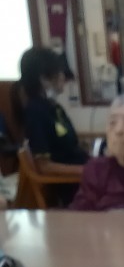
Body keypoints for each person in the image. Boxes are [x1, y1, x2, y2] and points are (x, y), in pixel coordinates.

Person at [17, 47, 88, 179]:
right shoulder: (35, 113)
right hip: (68, 181)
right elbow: (45, 167)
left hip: (81, 170)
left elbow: (69, 146)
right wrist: (87, 171)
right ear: (43, 79)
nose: (63, 76)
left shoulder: (54, 107)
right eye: (58, 72)